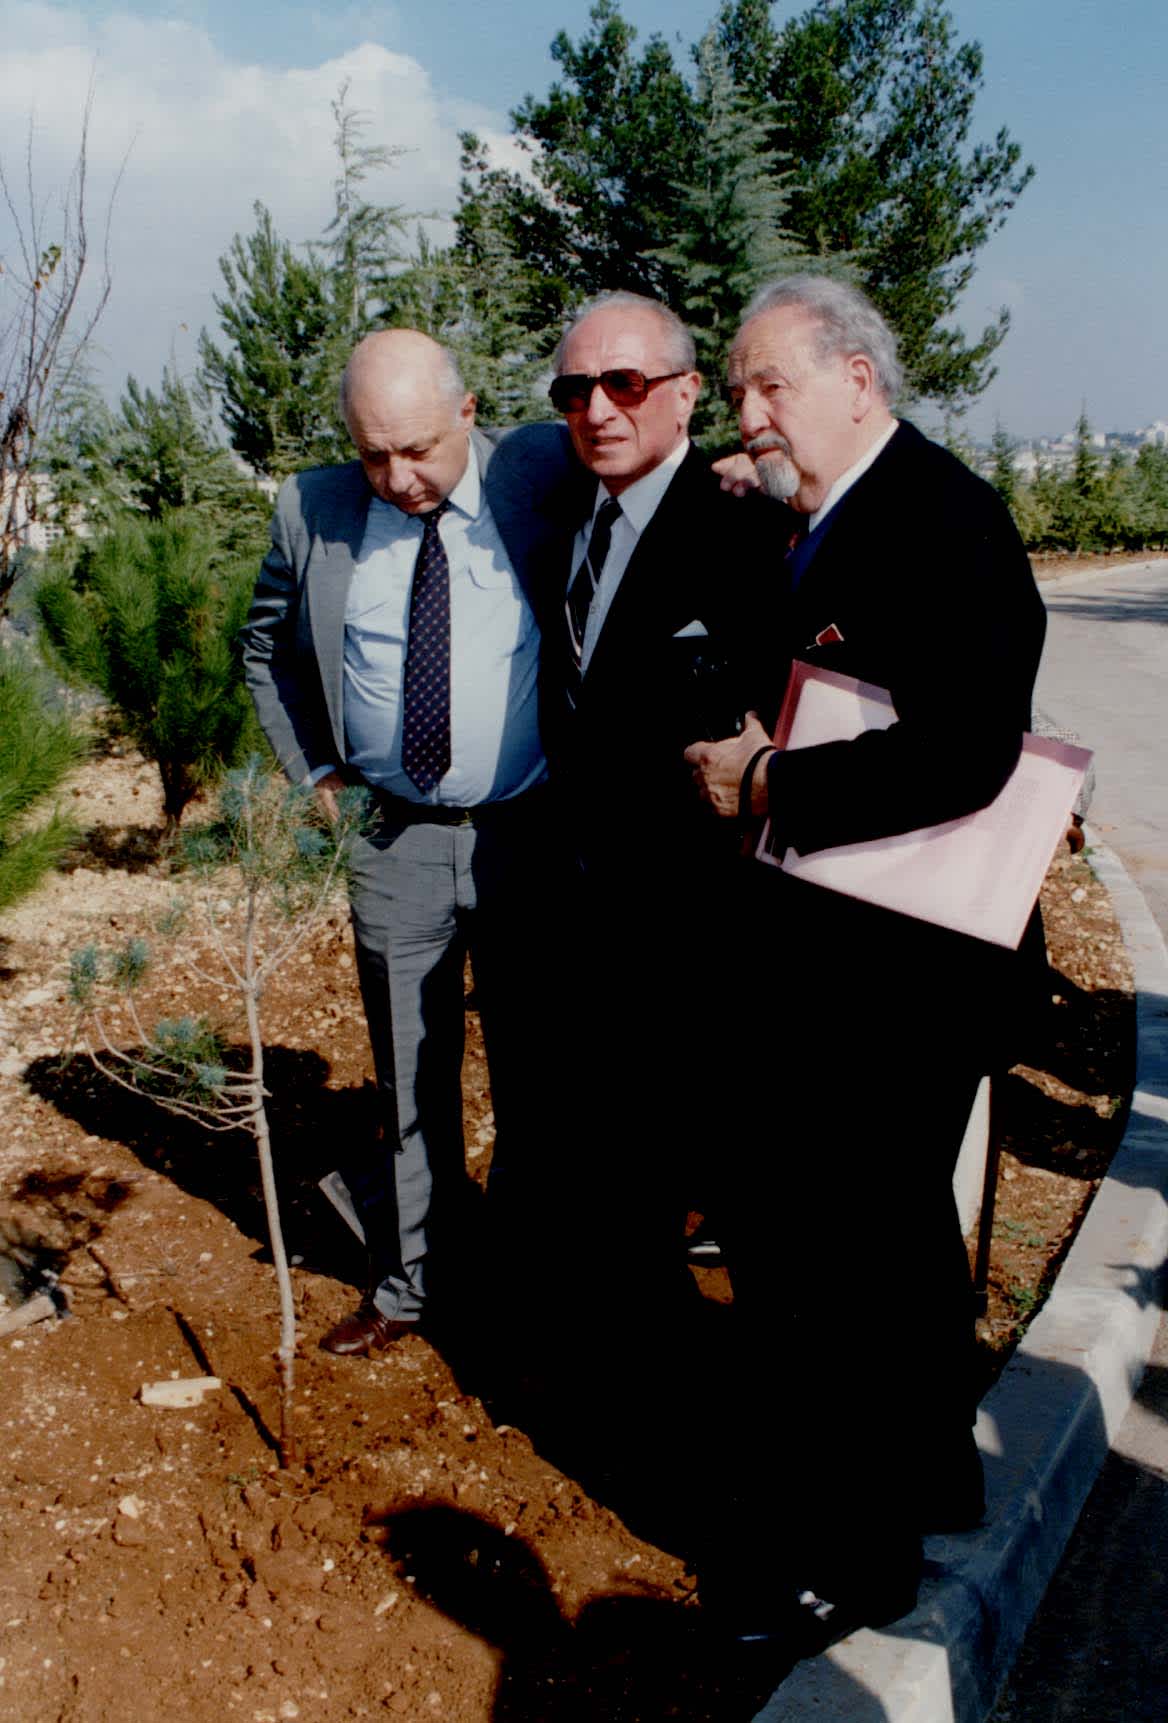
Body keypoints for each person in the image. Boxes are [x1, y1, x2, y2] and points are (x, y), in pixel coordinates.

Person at [684, 275, 1048, 1661]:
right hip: (853, 959)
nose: (751, 414)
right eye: (736, 392)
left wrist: (769, 776)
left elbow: (967, 748)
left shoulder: (941, 519)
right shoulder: (827, 514)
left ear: (858, 377)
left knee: (845, 1256)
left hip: (902, 973)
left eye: (770, 385)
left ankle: (859, 1557)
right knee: (894, 1246)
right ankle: (931, 1480)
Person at [241, 329, 571, 1356]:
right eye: (372, 453)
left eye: (419, 449)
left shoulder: (541, 478)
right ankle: (413, 1284)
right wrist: (316, 771)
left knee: (535, 1065)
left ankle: (526, 1278)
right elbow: (265, 647)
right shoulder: (314, 507)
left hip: (528, 829)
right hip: (389, 834)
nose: (398, 477)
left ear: (468, 413)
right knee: (408, 1066)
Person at [539, 291, 773, 1304]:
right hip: (588, 920)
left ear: (684, 395)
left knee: (743, 1191)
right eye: (574, 388)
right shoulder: (556, 517)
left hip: (710, 931)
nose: (597, 408)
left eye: (624, 383)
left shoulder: (746, 525)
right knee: (622, 1178)